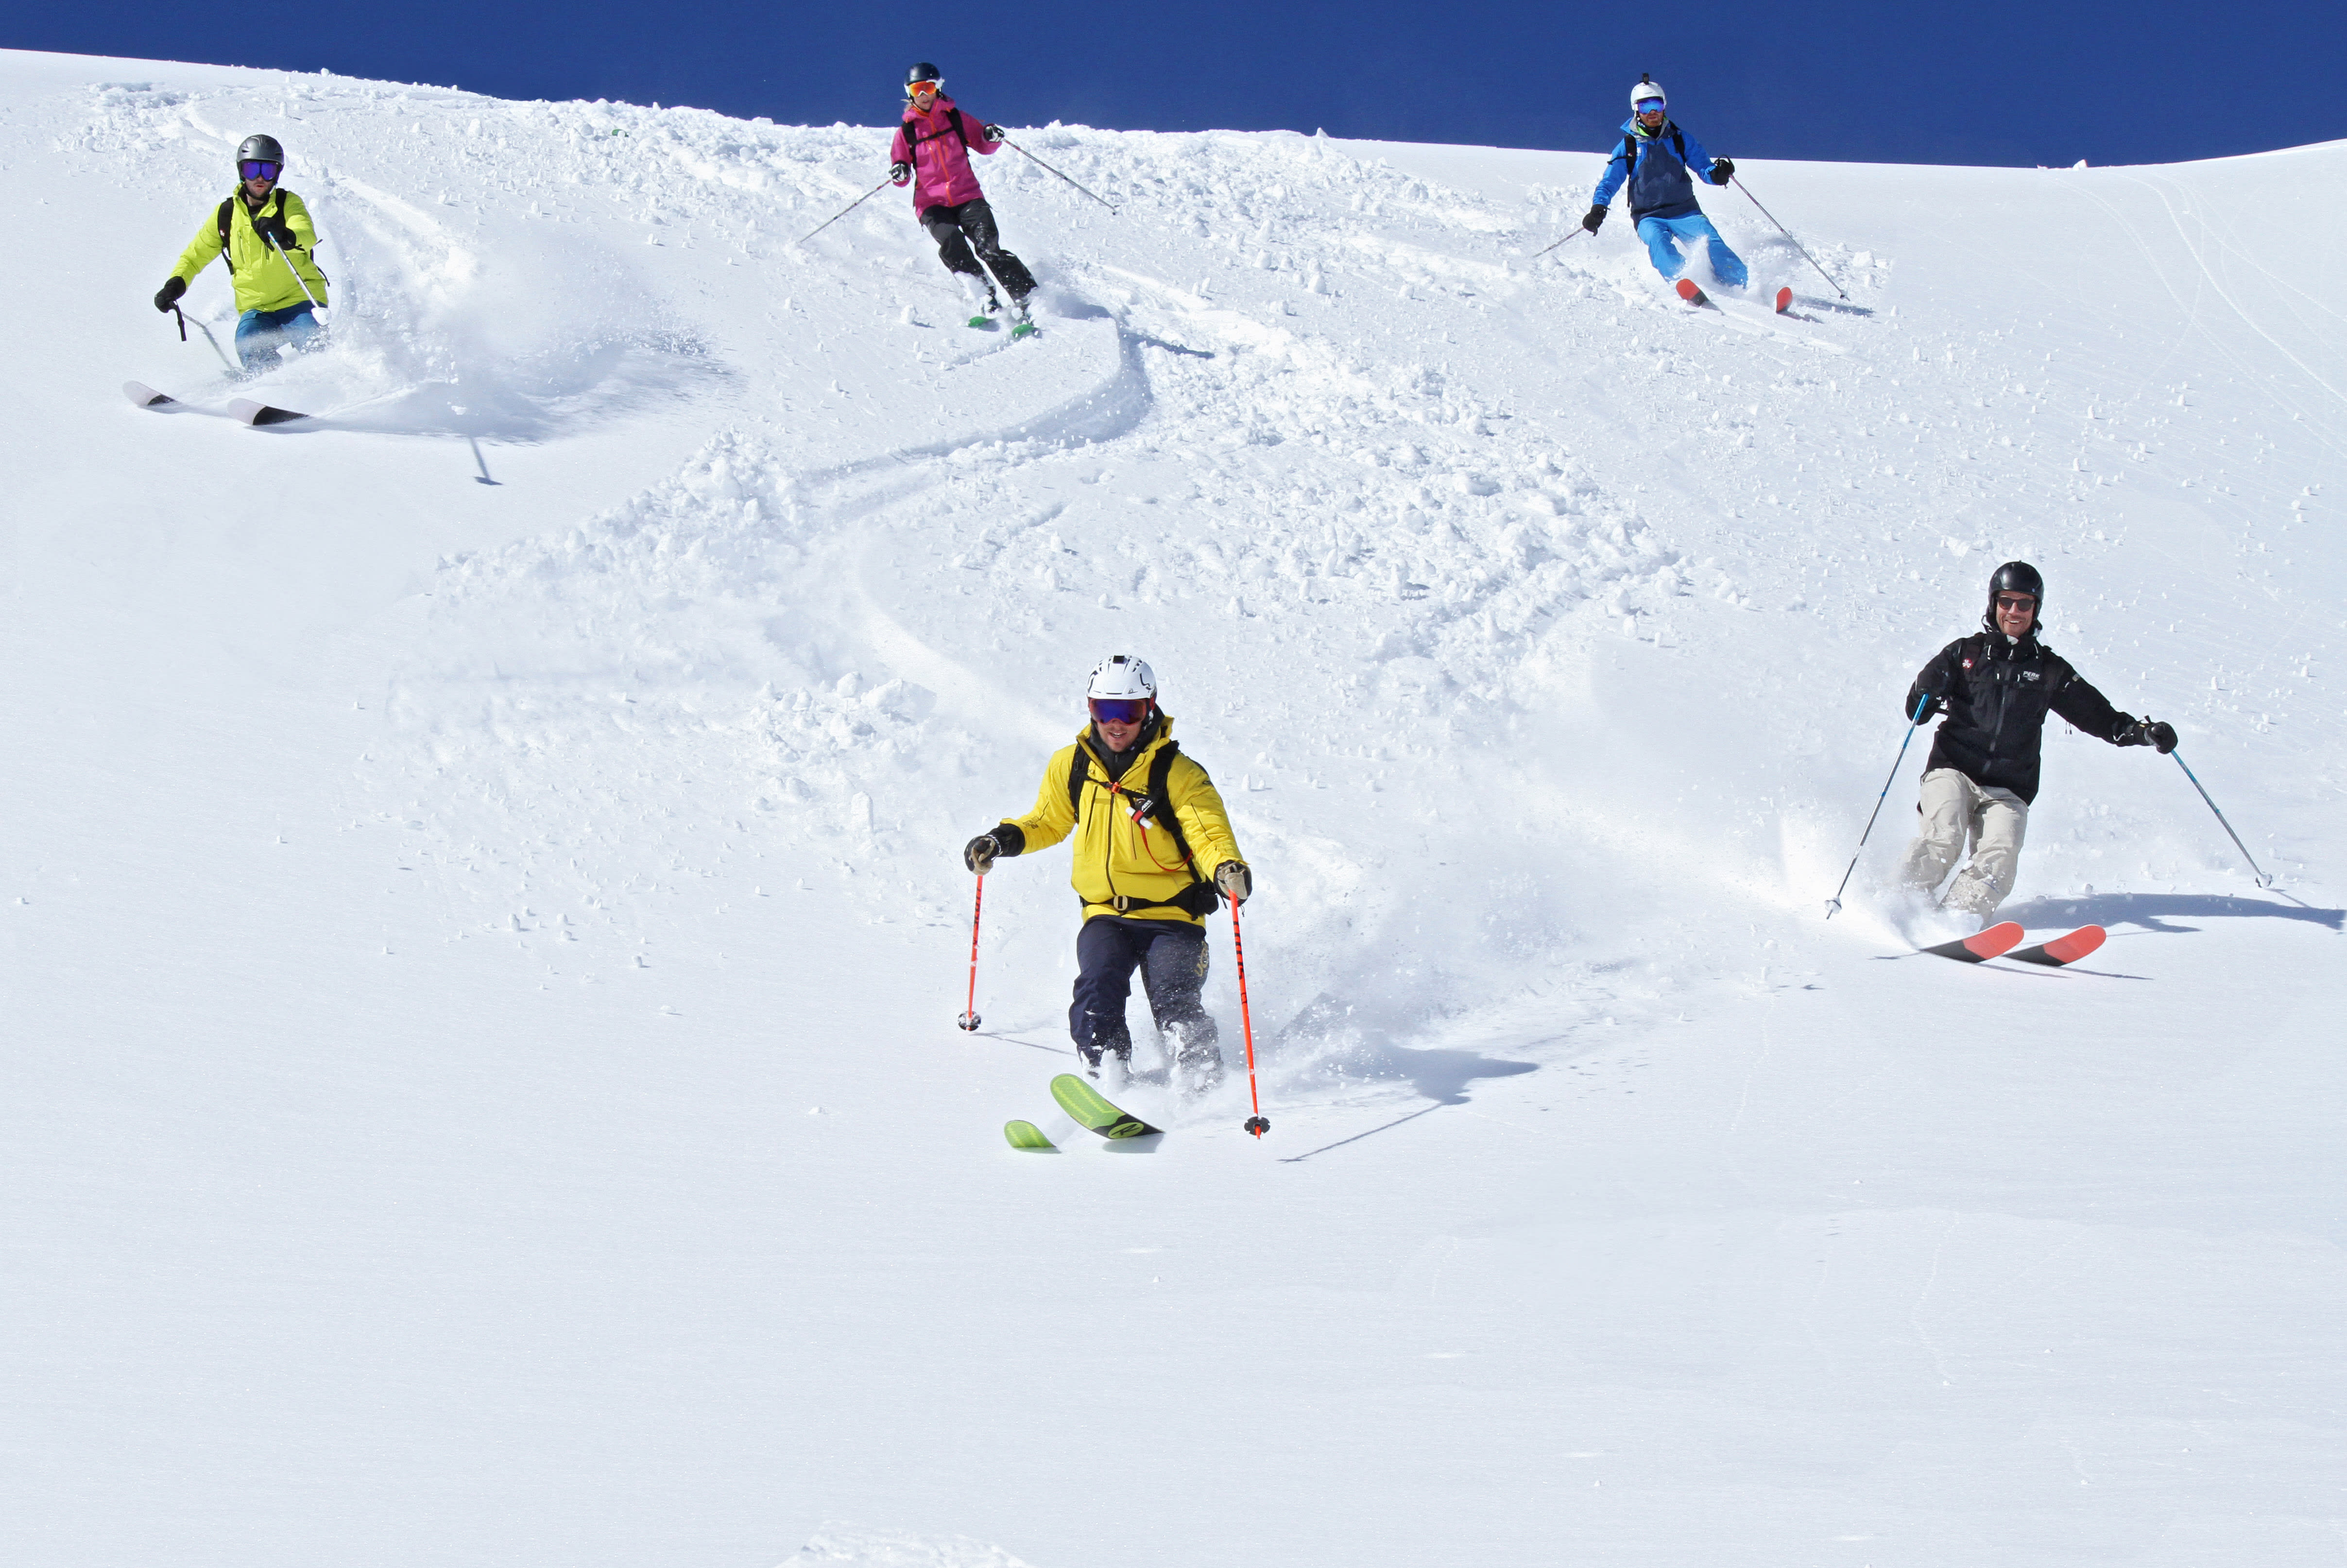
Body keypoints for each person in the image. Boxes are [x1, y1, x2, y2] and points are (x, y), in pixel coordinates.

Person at [962, 656, 1252, 1091]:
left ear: (1149, 709)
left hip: (1173, 917)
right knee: (1096, 991)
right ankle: (1107, 1078)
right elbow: (1046, 822)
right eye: (1103, 711)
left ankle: (1203, 1082)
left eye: (1128, 713)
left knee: (1175, 1001)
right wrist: (1000, 841)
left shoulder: (1179, 774)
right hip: (1105, 914)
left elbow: (1207, 833)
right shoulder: (1071, 765)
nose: (1115, 724)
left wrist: (1227, 868)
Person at [1897, 562, 2176, 916]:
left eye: (2024, 604)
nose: (2014, 612)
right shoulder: (1964, 654)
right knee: (1943, 836)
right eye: (2006, 601)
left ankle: (1958, 920)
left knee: (2001, 852)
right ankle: (1898, 903)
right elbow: (1917, 712)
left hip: (2009, 787)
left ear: (2035, 609)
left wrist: (2143, 733)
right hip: (1953, 769)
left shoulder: (2048, 670)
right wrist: (1926, 690)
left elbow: (2100, 718)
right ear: (1993, 604)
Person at [153, 134, 331, 375]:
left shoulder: (288, 203)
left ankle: (329, 383)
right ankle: (273, 389)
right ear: (241, 171)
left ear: (276, 173)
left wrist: (286, 235)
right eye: (252, 168)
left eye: (267, 170)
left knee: (312, 341)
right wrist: (175, 284)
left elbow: (306, 233)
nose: (259, 177)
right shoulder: (226, 214)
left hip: (299, 301)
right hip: (257, 309)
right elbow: (195, 256)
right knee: (250, 347)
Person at [888, 63, 1039, 330]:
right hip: (932, 204)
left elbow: (983, 144)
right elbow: (902, 170)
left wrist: (991, 136)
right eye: (918, 89)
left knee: (987, 246)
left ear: (938, 88)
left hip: (967, 195)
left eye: (929, 87)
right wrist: (900, 171)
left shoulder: (955, 118)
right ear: (909, 93)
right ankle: (986, 298)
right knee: (951, 243)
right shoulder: (907, 132)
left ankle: (1027, 297)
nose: (924, 94)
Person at [1582, 75, 1752, 298]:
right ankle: (1684, 282)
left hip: (1685, 211)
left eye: (1657, 105)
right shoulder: (1629, 146)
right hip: (1648, 216)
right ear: (1637, 110)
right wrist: (1598, 208)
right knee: (1658, 243)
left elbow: (1704, 168)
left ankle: (1744, 286)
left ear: (1664, 107)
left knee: (1710, 240)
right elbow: (1610, 181)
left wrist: (1718, 175)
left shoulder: (1680, 139)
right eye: (1646, 106)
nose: (1653, 112)